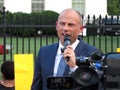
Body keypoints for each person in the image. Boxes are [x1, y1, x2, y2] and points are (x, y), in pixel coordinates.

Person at [31, 8, 102, 90]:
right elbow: (36, 85)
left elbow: (95, 87)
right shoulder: (44, 52)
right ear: (57, 26)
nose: (65, 28)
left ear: (81, 29)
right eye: (62, 23)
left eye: (70, 25)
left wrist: (74, 67)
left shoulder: (93, 54)